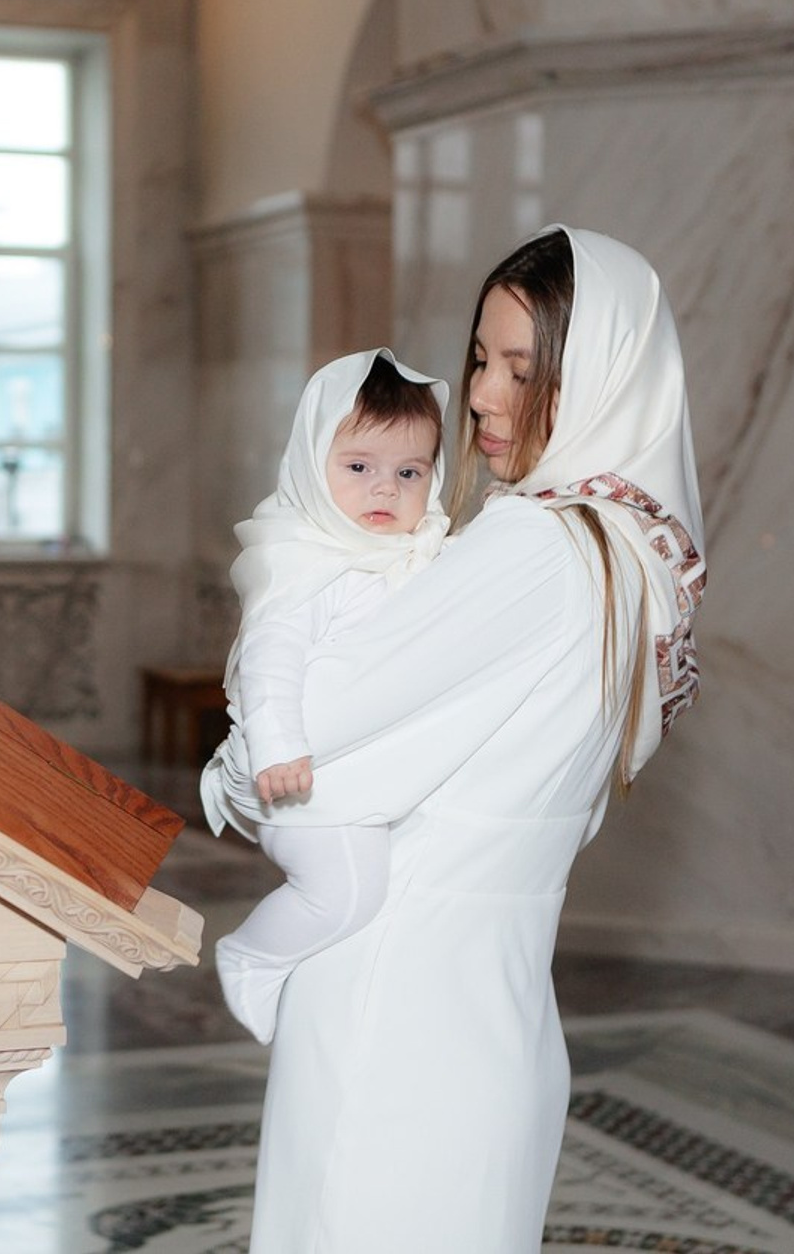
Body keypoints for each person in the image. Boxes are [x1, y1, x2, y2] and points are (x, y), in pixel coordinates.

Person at [200, 225, 706, 1251]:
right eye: (480, 357)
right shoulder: (637, 555)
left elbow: (309, 730)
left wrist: (236, 767)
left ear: (600, 375)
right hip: (499, 1014)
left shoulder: (532, 542)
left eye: (523, 369)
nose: (478, 395)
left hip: (394, 1003)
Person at [204, 349, 449, 1044]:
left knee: (379, 898)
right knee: (345, 892)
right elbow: (269, 658)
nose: (385, 491)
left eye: (409, 473)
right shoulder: (305, 560)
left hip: (353, 777)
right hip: (293, 780)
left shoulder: (415, 553)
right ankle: (252, 955)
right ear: (314, 465)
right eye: (358, 468)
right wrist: (279, 746)